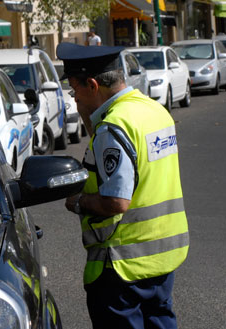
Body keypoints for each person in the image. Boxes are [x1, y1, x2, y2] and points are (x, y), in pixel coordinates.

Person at [57, 42, 189, 329]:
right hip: (162, 257)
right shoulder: (154, 111)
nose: (74, 97)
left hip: (121, 265)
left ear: (92, 84)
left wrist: (78, 201)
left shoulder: (113, 126)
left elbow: (117, 202)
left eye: (74, 89)